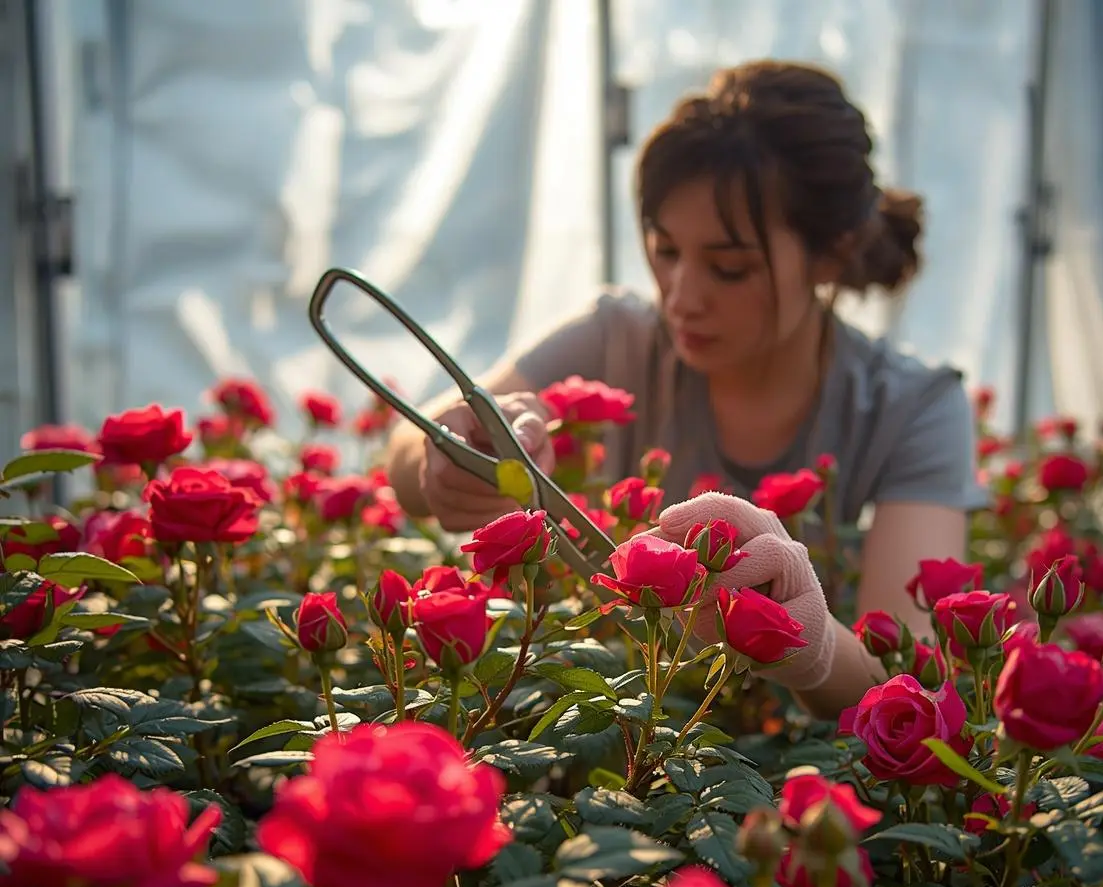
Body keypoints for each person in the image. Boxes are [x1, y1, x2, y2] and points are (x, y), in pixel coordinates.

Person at [388, 60, 987, 719]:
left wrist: (810, 643)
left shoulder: (914, 409)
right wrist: (449, 452)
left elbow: (908, 685)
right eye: (666, 251)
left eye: (729, 268)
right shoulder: (615, 340)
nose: (681, 299)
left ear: (831, 255)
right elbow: (409, 454)